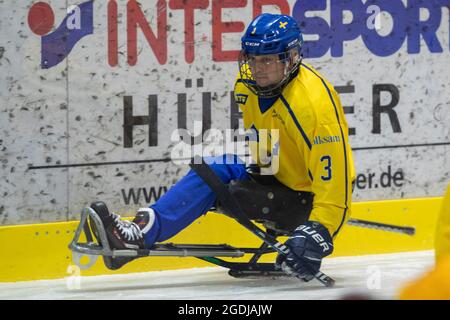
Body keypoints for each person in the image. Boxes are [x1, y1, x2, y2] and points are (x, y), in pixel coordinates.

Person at [89, 13, 356, 280]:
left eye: (266, 59)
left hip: (303, 199)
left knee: (223, 171)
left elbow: (337, 181)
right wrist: (257, 176)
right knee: (215, 169)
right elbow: (265, 145)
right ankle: (137, 235)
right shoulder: (248, 86)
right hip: (275, 174)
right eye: (252, 58)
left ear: (292, 57)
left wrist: (319, 230)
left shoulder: (313, 106)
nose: (257, 68)